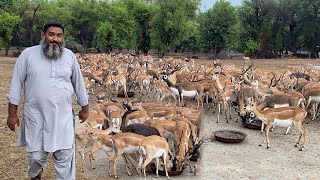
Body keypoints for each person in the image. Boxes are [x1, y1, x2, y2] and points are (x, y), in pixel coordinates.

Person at [6, 22, 89, 180]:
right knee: (35, 158)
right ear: (43, 35)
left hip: (62, 118)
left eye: (59, 35)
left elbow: (78, 82)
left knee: (65, 157)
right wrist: (12, 114)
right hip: (36, 117)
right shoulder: (28, 55)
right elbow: (16, 84)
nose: (55, 39)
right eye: (51, 34)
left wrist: (85, 107)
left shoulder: (69, 56)